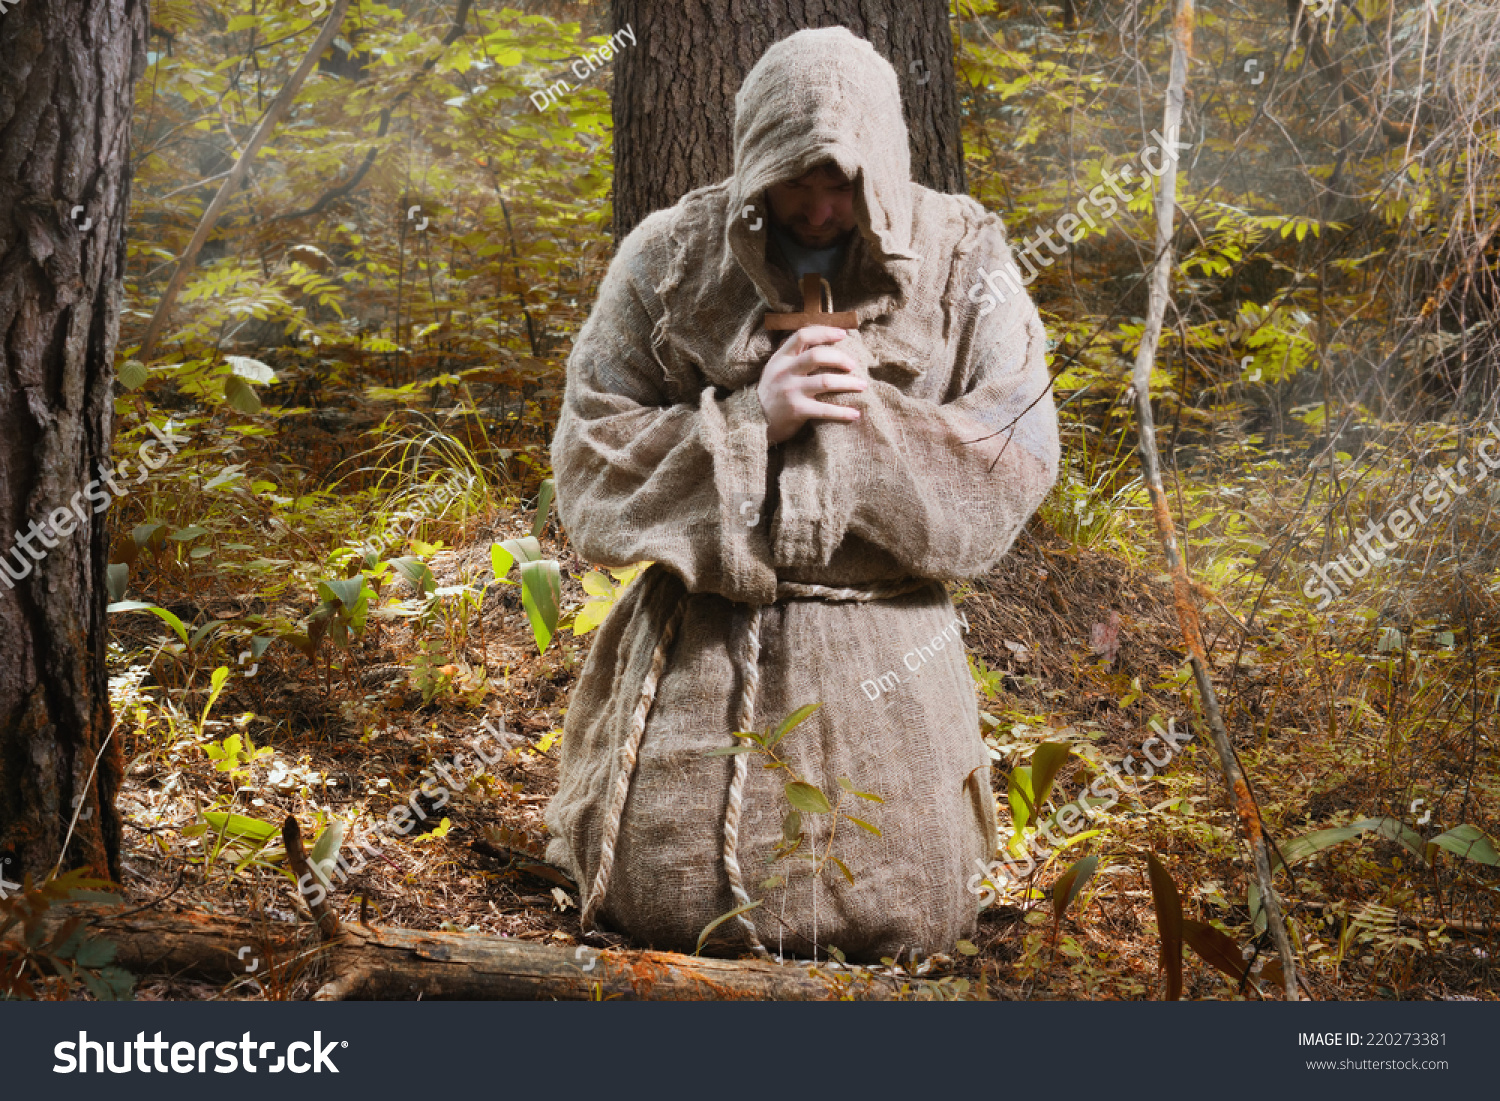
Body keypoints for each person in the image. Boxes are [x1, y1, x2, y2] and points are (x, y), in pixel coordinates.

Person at [544, 26, 1059, 962]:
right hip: (705, 642)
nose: (819, 211)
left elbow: (1018, 446)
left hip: (890, 653)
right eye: (796, 182)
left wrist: (873, 425)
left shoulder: (961, 259)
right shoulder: (667, 259)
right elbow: (588, 460)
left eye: (844, 185)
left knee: (909, 912)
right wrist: (751, 422)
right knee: (670, 907)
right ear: (754, 163)